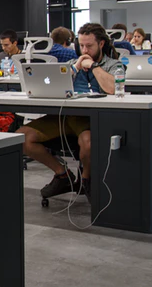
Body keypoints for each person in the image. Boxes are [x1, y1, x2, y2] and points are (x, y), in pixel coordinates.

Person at [18, 23, 122, 199]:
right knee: (22, 136)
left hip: (92, 119)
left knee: (88, 143)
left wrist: (94, 66)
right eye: (81, 46)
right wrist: (75, 68)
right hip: (65, 116)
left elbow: (113, 88)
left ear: (101, 44)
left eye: (89, 46)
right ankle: (62, 174)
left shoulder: (114, 64)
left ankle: (86, 179)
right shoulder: (72, 64)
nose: (84, 50)